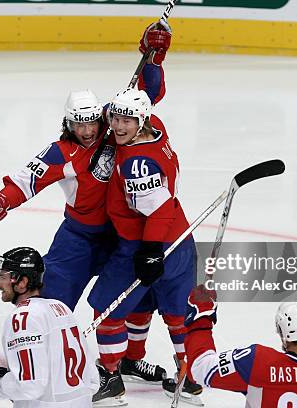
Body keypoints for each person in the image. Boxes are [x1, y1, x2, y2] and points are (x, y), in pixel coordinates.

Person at [0, 22, 174, 392]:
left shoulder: (116, 124)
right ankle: (39, 362)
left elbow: (148, 94)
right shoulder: (61, 152)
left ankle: (129, 358)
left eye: (91, 122)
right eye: (78, 125)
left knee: (135, 295)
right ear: (68, 123)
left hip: (122, 233)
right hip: (78, 237)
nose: (87, 131)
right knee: (49, 302)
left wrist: (155, 56)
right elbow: (26, 180)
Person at [87, 87, 203, 406]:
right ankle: (187, 377)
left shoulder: (137, 163)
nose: (119, 126)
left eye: (127, 120)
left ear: (141, 120)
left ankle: (111, 379)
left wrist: (150, 250)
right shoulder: (156, 130)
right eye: (116, 118)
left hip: (147, 243)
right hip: (180, 241)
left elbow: (159, 210)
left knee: (107, 308)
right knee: (170, 309)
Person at [0, 247, 98, 407]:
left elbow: (30, 385)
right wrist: (6, 376)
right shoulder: (60, 308)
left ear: (22, 282)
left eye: (3, 277)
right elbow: (92, 379)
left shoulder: (23, 318)